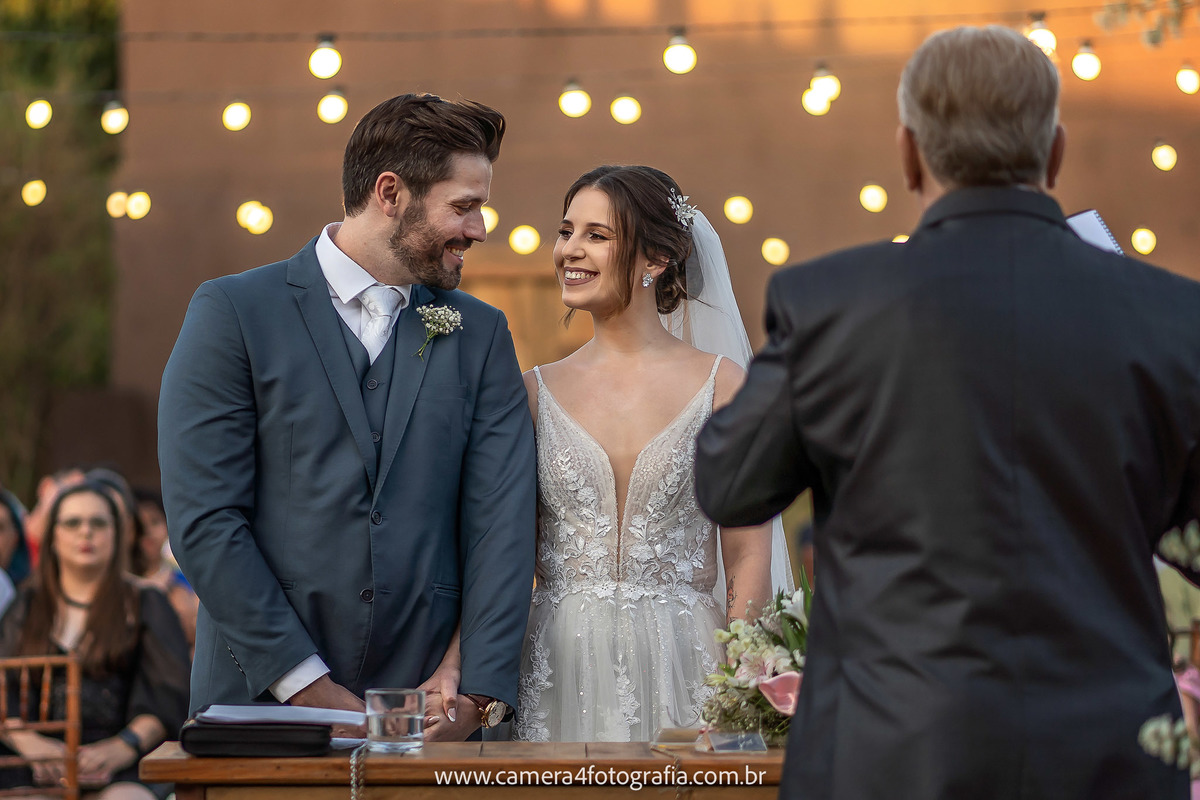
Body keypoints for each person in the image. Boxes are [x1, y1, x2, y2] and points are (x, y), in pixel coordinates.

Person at [694, 25, 1200, 800]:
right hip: (1106, 756)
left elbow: (729, 484)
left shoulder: (831, 305)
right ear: (1055, 153)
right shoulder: (1172, 316)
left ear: (908, 154)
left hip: (890, 756)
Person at [158, 93, 536, 739]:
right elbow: (205, 516)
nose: (478, 229)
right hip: (261, 704)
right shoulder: (234, 312)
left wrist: (471, 688)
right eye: (463, 206)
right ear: (390, 193)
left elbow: (502, 522)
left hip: (433, 711)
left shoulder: (480, 333)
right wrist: (306, 685)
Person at [499, 164, 790, 742]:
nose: (570, 250)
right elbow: (507, 552)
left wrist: (739, 686)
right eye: (566, 231)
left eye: (596, 235)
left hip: (686, 660)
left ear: (655, 259)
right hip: (561, 663)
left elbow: (747, 554)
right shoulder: (532, 392)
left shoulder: (724, 387)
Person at [0, 481, 189, 800]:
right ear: (53, 536)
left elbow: (167, 696)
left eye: (98, 523)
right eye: (73, 523)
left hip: (123, 760)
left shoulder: (146, 602)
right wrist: (30, 744)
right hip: (35, 761)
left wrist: (122, 747)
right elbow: (3, 687)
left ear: (118, 534)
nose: (85, 532)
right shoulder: (27, 604)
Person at [130, 488, 197, 651]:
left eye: (154, 522)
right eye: (139, 525)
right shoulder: (121, 584)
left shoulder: (186, 582)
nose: (147, 532)